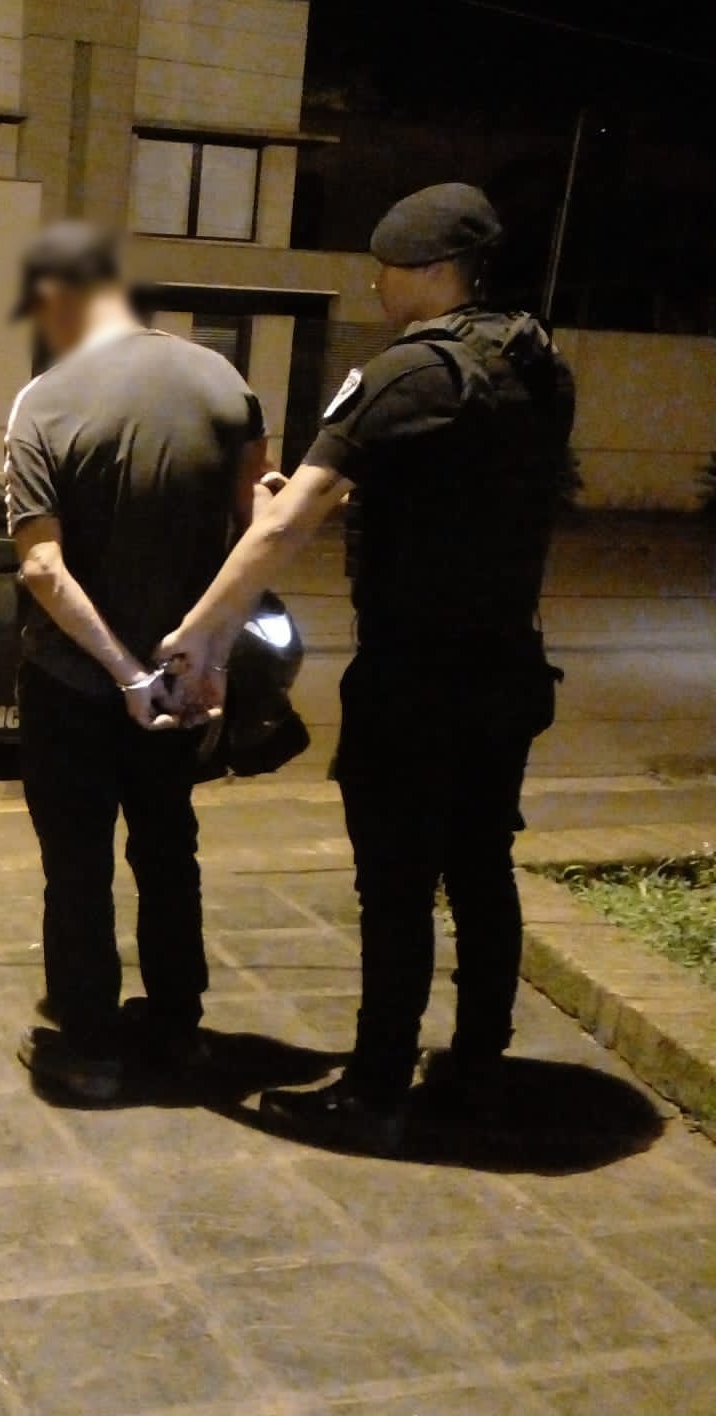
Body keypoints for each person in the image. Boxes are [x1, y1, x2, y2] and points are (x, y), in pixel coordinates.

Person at [159, 183, 576, 1151]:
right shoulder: (534, 363)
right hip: (506, 667)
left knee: (394, 887)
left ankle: (375, 1088)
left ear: (431, 271)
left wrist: (199, 630)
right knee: (481, 869)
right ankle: (477, 1069)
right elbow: (454, 495)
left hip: (414, 678)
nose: (377, 287)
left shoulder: (404, 374)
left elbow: (284, 526)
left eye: (387, 270)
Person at [5, 220, 270, 1102]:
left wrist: (123, 673)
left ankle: (89, 1049)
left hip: (75, 683)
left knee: (78, 866)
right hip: (185, 680)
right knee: (168, 852)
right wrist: (211, 647)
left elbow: (43, 568)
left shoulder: (44, 402)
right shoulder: (225, 382)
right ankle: (176, 1030)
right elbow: (260, 532)